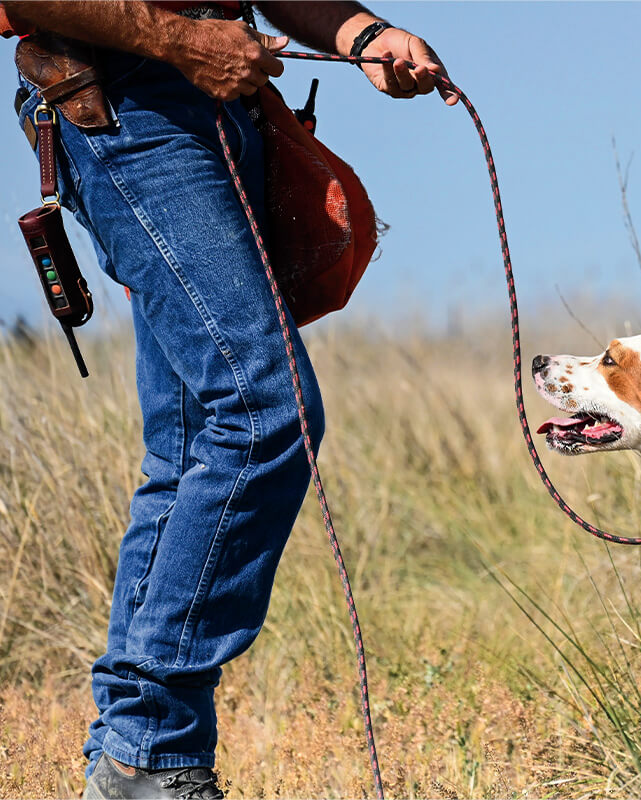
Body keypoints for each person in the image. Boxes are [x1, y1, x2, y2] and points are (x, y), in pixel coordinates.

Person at [2, 2, 456, 797]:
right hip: (123, 99)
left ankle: (128, 764)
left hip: (222, 105)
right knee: (263, 412)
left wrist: (362, 36)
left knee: (186, 452)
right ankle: (149, 749)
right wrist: (183, 37)